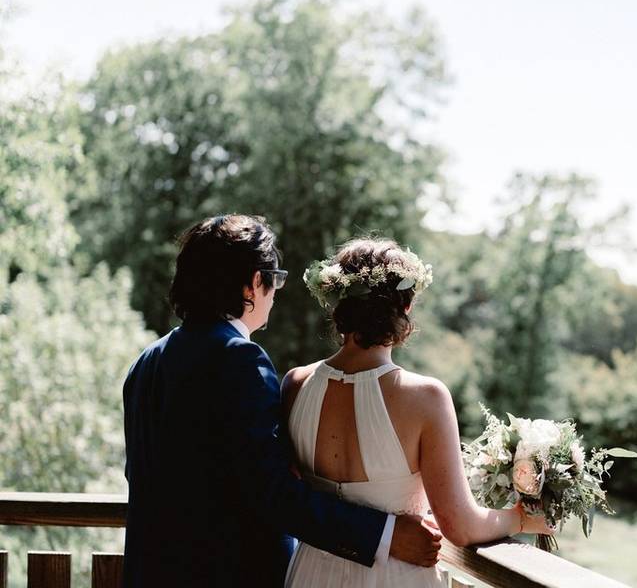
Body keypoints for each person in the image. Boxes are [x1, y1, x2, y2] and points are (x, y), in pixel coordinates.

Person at [122, 215, 441, 588]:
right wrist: (385, 535)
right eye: (275, 280)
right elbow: (272, 493)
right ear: (256, 282)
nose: (275, 293)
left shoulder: (146, 362)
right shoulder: (238, 359)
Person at [283, 237, 554, 587]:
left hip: (310, 574)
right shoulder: (425, 397)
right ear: (405, 308)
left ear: (338, 304)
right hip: (393, 576)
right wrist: (521, 519)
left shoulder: (294, 384)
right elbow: (460, 525)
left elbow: (291, 495)